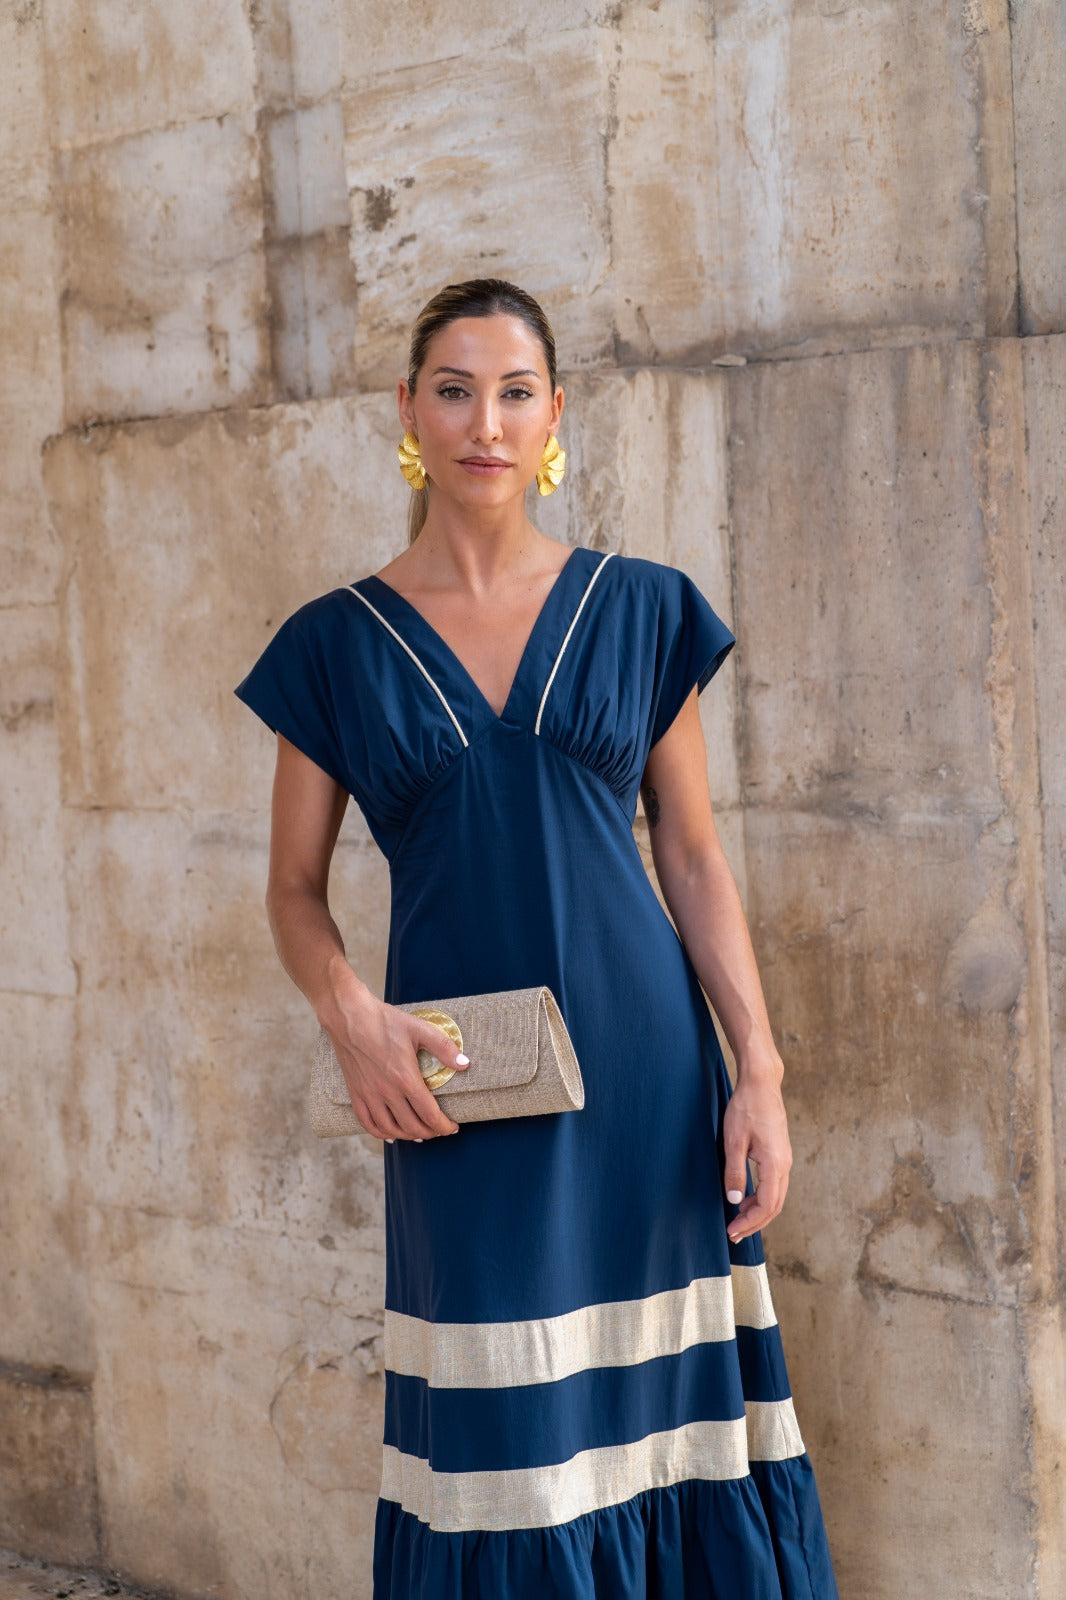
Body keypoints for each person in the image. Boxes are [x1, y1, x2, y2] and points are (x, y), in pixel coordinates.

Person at [236, 278, 837, 1599]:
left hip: (648, 1083)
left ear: (554, 413)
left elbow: (691, 855)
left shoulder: (642, 608)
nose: (485, 423)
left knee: (666, 1440)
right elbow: (290, 888)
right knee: (503, 1446)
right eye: (454, 391)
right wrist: (349, 1015)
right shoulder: (333, 645)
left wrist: (760, 1069)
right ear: (408, 410)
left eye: (515, 393)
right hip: (462, 1090)